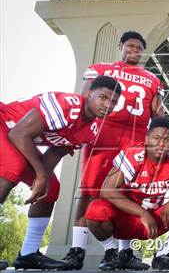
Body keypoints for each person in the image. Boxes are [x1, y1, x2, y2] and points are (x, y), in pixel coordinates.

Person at [63, 30, 164, 270]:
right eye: (130, 46)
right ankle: (77, 249)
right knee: (89, 189)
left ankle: (123, 253)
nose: (135, 51)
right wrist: (75, 131)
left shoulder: (152, 78)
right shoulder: (101, 68)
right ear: (120, 46)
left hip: (135, 137)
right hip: (104, 131)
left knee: (127, 192)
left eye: (139, 48)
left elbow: (157, 112)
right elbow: (84, 99)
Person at [0, 76, 121, 270]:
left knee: (51, 188)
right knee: (13, 166)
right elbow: (18, 134)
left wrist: (43, 179)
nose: (108, 104)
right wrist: (39, 175)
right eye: (103, 97)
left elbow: (53, 154)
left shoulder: (90, 131)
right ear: (89, 94)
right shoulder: (68, 104)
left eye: (113, 102)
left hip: (16, 138)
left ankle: (28, 253)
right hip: (5, 124)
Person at [85, 117, 169, 271]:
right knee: (96, 209)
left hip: (156, 219)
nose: (161, 144)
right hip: (127, 219)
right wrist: (141, 213)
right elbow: (107, 190)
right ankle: (113, 253)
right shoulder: (133, 155)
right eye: (156, 138)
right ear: (146, 139)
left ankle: (163, 255)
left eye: (167, 140)